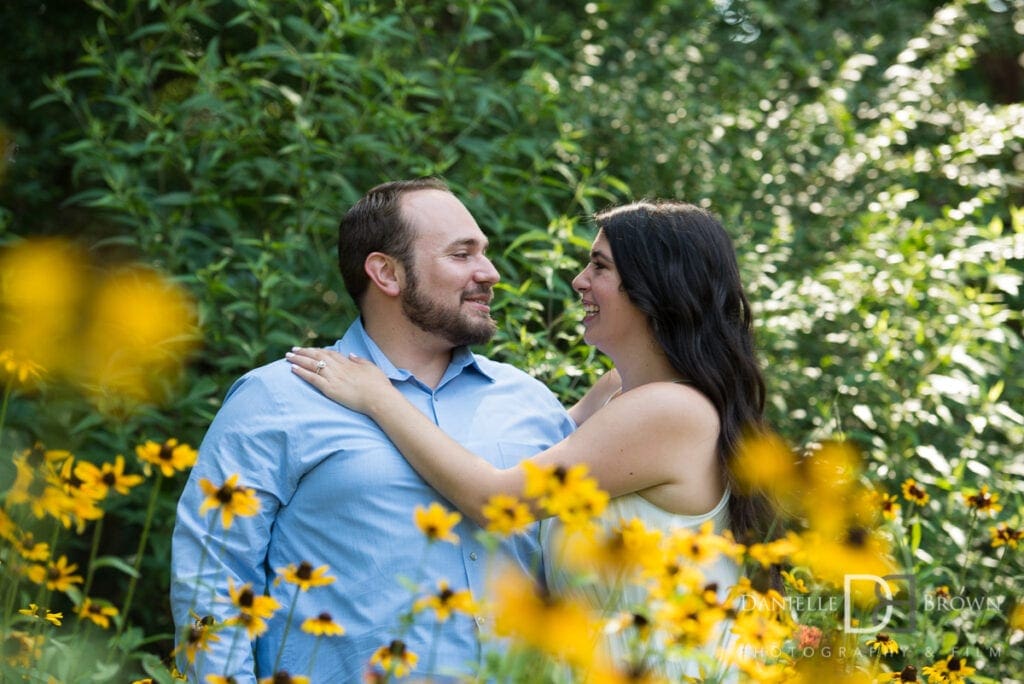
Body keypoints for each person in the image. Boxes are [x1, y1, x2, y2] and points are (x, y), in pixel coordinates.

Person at [288, 199, 774, 678]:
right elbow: (519, 448)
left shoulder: (669, 411)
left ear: (656, 285)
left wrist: (379, 395)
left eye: (599, 266)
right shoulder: (617, 395)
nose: (579, 280)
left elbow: (498, 500)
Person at [169, 178, 577, 683]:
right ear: (386, 273)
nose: (489, 272)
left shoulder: (531, 403)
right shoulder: (277, 398)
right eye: (462, 254)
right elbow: (212, 575)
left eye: (485, 253)